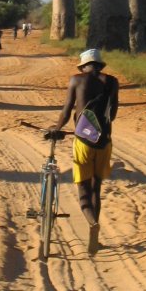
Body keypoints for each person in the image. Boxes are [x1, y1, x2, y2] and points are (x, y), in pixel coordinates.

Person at [51, 48, 119, 255]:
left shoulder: (76, 80)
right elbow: (113, 112)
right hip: (104, 140)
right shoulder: (112, 82)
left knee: (83, 189)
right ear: (100, 64)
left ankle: (91, 222)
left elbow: (66, 109)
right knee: (96, 187)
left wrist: (57, 128)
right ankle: (95, 235)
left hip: (83, 141)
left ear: (83, 65)